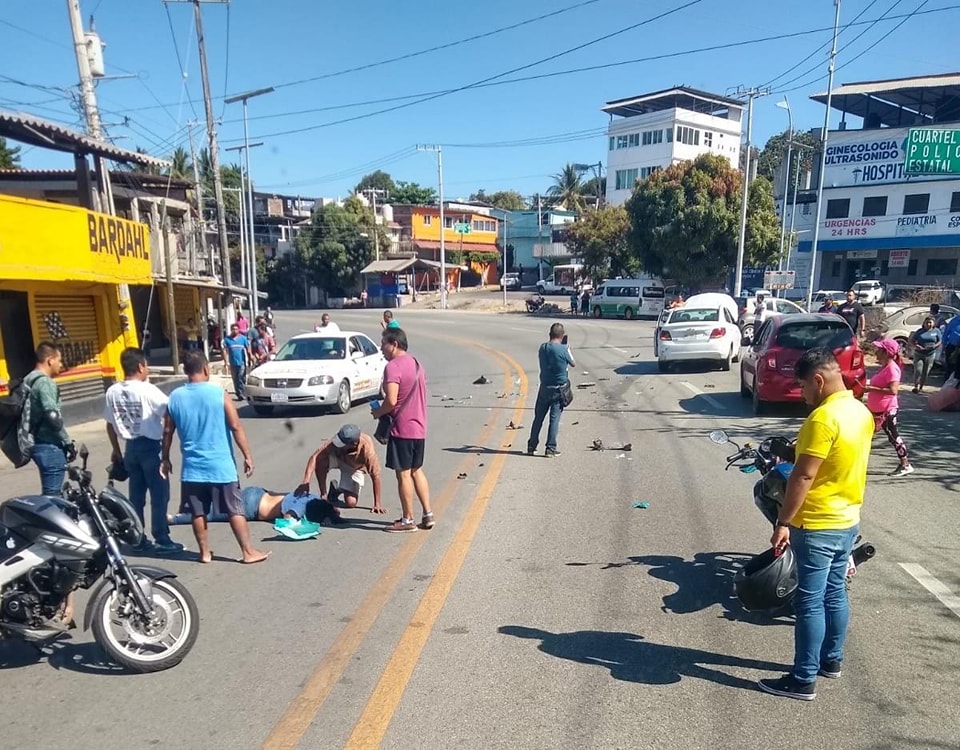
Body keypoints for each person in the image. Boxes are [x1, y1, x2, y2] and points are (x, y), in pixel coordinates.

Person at [758, 347, 874, 701]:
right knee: (835, 593)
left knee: (808, 602)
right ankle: (831, 661)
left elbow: (803, 477)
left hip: (816, 524)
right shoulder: (860, 411)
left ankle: (803, 678)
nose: (803, 394)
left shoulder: (822, 420)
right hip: (847, 520)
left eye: (804, 386)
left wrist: (783, 521)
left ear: (819, 380)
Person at [161, 350, 269, 564]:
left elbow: (167, 431)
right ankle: (248, 552)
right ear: (206, 369)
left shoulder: (174, 397)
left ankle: (204, 553)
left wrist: (165, 458)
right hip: (221, 467)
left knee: (197, 512)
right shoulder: (218, 394)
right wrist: (247, 455)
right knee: (234, 509)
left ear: (185, 371)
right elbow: (236, 426)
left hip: (192, 469)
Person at [104, 348, 183, 554]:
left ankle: (137, 538)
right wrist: (166, 451)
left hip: (130, 449)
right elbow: (169, 412)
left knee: (135, 497)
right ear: (140, 366)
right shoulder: (148, 390)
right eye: (146, 365)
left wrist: (116, 451)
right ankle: (162, 539)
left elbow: (110, 425)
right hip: (151, 447)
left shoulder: (112, 392)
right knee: (159, 495)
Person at [371, 328, 433, 533]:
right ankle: (428, 513)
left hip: (402, 429)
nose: (381, 348)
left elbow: (391, 401)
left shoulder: (393, 367)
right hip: (419, 428)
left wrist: (378, 412)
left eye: (383, 343)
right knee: (417, 471)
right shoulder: (417, 364)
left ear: (394, 344)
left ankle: (408, 520)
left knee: (403, 475)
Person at [296, 423, 384, 513]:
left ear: (354, 444)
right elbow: (315, 456)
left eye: (342, 443)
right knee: (321, 461)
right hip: (338, 458)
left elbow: (375, 476)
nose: (337, 444)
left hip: (354, 468)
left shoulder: (367, 449)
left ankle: (336, 490)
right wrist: (306, 482)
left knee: (351, 502)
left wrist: (377, 503)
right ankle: (324, 496)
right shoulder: (337, 440)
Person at [25, 343, 75, 496]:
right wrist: (67, 442)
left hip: (35, 443)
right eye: (59, 360)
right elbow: (52, 417)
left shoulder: (28, 379)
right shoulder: (45, 382)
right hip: (49, 446)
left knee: (50, 493)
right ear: (50, 360)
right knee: (52, 498)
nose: (61, 364)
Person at [169, 486, 342, 526]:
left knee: (215, 504)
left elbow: (332, 509)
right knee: (211, 515)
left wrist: (332, 512)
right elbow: (288, 517)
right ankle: (174, 519)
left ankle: (187, 507)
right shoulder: (303, 508)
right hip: (252, 507)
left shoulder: (310, 497)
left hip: (258, 493)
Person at [865, 339, 914, 477]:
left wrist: (870, 388)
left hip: (887, 410)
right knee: (868, 435)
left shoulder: (892, 369)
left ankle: (905, 464)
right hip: (877, 410)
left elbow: (893, 390)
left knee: (894, 436)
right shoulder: (885, 367)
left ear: (886, 353)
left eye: (880, 350)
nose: (876, 352)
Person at [527, 323, 574, 458]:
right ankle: (550, 449)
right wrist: (568, 349)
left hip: (544, 388)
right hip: (558, 390)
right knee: (554, 419)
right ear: (562, 336)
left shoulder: (543, 348)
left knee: (538, 418)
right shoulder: (563, 350)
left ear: (550, 335)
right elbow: (573, 363)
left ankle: (531, 446)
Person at [909, 316, 941, 393]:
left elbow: (939, 341)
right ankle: (916, 386)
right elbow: (912, 340)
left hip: (930, 354)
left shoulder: (936, 331)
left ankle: (921, 387)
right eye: (927, 322)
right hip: (919, 354)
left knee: (926, 372)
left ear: (933, 323)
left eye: (930, 322)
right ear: (924, 323)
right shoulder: (920, 331)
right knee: (918, 370)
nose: (928, 324)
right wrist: (917, 346)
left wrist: (934, 346)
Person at [222, 323, 251, 400]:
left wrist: (250, 359)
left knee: (241, 377)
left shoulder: (243, 339)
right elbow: (224, 351)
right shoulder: (227, 340)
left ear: (239, 330)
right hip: (233, 363)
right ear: (231, 330)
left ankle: (242, 393)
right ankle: (238, 393)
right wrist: (226, 362)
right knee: (235, 379)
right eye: (233, 329)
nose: (235, 331)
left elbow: (248, 349)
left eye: (236, 329)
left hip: (242, 363)